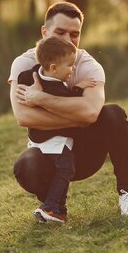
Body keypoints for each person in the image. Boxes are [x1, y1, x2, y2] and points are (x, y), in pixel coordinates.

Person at [9, 2, 128, 216]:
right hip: (49, 152)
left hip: (85, 154)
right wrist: (78, 119)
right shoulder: (24, 64)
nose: (67, 40)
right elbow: (23, 116)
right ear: (45, 32)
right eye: (60, 32)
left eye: (74, 34)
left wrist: (40, 98)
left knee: (113, 113)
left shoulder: (88, 66)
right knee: (26, 165)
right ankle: (53, 206)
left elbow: (90, 112)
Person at [18, 35, 96, 223]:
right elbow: (69, 102)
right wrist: (79, 88)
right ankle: (51, 206)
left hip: (38, 142)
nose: (73, 69)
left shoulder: (34, 75)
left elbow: (27, 80)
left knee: (62, 171)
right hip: (56, 142)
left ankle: (59, 210)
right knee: (66, 170)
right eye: (70, 65)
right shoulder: (57, 89)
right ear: (53, 68)